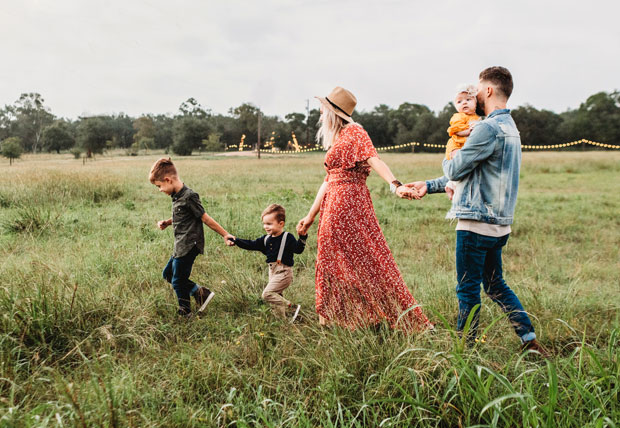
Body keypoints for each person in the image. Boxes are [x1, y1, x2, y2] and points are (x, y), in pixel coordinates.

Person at [407, 67, 547, 355]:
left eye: (478, 89)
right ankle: (529, 340)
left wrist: (451, 157)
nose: (475, 95)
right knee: (496, 285)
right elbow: (474, 174)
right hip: (499, 225)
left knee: (467, 289)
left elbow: (457, 168)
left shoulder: (486, 128)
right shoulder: (511, 128)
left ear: (489, 91)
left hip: (475, 223)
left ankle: (465, 351)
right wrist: (429, 185)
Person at [297, 86, 432, 331]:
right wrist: (309, 216)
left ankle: (379, 316)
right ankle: (338, 319)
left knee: (366, 259)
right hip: (334, 203)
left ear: (333, 112)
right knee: (331, 259)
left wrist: (395, 185)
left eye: (323, 108)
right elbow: (328, 181)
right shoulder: (338, 138)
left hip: (348, 203)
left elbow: (374, 159)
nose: (319, 113)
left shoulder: (354, 131)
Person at [149, 158, 234, 317]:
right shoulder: (177, 196)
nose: (160, 190)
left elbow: (205, 218)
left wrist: (225, 234)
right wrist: (168, 222)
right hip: (180, 245)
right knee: (168, 274)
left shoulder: (189, 196)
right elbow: (183, 216)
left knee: (178, 280)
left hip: (189, 245)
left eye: (159, 186)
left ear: (168, 180)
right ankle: (200, 293)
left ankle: (185, 311)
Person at [230, 204, 306, 322]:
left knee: (267, 294)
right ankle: (282, 322)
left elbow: (298, 250)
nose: (266, 226)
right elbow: (251, 244)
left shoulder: (287, 237)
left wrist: (302, 237)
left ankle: (291, 307)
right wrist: (236, 241)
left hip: (284, 272)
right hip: (272, 272)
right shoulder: (266, 239)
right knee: (276, 299)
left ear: (281, 224)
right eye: (264, 223)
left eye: (269, 224)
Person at [444, 84, 480, 200]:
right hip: (456, 145)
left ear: (475, 103)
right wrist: (469, 131)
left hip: (465, 146)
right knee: (460, 162)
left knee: (466, 167)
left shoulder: (477, 117)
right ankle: (452, 185)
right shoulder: (459, 116)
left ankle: (451, 184)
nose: (464, 103)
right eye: (459, 102)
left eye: (468, 100)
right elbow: (456, 130)